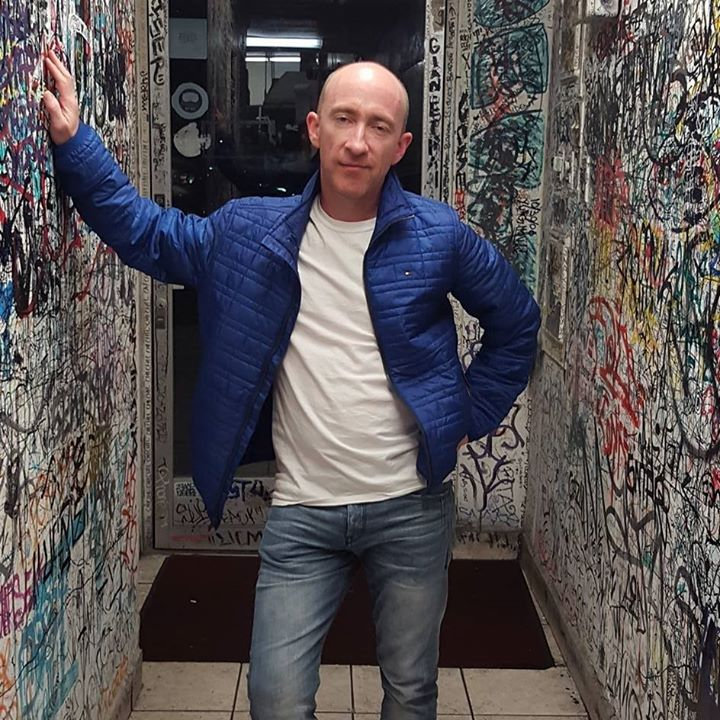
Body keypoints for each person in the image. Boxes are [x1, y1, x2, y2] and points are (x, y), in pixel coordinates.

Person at [43, 51, 541, 720]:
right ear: (314, 128)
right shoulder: (252, 233)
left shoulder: (438, 236)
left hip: (410, 508)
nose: (358, 141)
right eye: (343, 119)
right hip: (304, 512)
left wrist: (468, 414)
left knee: (411, 689)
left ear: (401, 146)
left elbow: (517, 323)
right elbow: (149, 234)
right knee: (275, 699)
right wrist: (76, 144)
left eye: (378, 126)